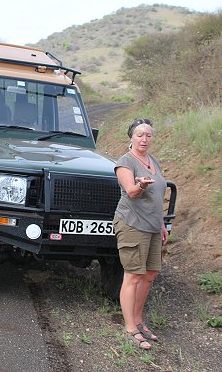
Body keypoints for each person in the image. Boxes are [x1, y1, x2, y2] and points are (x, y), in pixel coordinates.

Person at [113, 118, 169, 350]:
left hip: (154, 226)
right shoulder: (125, 162)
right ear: (131, 137)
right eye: (139, 134)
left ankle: (138, 320)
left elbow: (157, 197)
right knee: (133, 275)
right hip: (132, 224)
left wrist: (162, 223)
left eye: (148, 135)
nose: (144, 139)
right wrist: (142, 185)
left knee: (150, 274)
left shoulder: (152, 160)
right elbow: (132, 192)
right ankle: (130, 328)